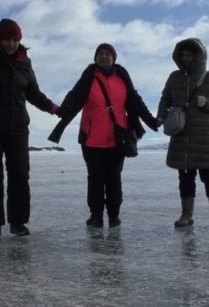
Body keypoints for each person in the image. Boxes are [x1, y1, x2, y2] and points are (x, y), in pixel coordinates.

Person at [0, 18, 59, 241]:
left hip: (18, 128)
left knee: (19, 174)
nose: (11, 44)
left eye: (15, 39)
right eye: (7, 39)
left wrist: (53, 107)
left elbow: (33, 93)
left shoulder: (25, 63)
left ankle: (18, 222)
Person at [48, 43, 159, 228]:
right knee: (95, 178)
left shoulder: (122, 78)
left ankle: (114, 215)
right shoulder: (89, 78)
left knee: (114, 177)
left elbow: (135, 102)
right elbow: (74, 96)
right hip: (91, 138)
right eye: (100, 54)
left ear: (114, 58)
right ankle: (96, 215)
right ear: (95, 58)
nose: (104, 57)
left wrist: (152, 121)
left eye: (108, 54)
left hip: (117, 138)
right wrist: (62, 111)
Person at [157, 38, 209, 229]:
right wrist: (160, 117)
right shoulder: (174, 77)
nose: (187, 58)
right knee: (185, 179)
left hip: (206, 139)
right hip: (182, 137)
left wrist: (205, 102)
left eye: (190, 55)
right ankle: (186, 215)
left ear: (199, 56)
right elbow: (165, 99)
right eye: (183, 55)